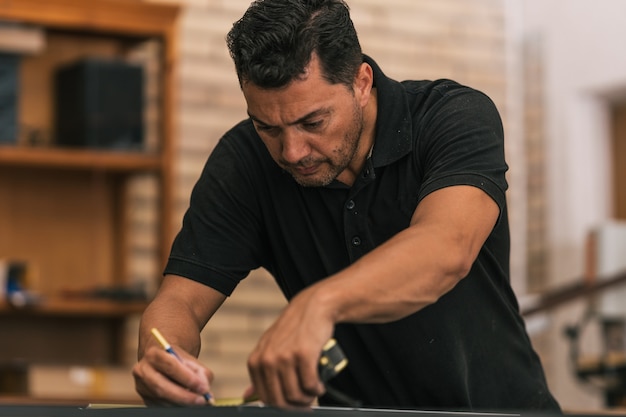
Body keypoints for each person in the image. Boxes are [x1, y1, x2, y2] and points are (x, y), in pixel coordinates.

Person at [132, 0, 561, 412]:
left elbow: (446, 248)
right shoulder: (245, 162)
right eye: (267, 127)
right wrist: (163, 353)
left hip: (501, 410)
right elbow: (180, 301)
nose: (293, 151)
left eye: (312, 122)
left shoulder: (453, 117)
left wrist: (317, 305)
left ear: (361, 82)